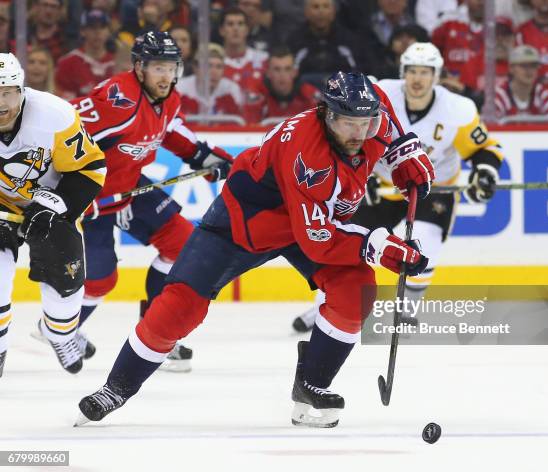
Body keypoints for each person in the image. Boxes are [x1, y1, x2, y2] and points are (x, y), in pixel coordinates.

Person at [75, 71, 435, 428]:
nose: (359, 134)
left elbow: (386, 118)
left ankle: (312, 384)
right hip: (244, 224)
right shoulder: (308, 156)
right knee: (178, 307)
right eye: (348, 124)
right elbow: (318, 239)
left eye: (366, 124)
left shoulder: (369, 111)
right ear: (326, 113)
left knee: (355, 289)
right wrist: (377, 245)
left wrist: (405, 154)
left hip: (308, 221)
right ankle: (116, 388)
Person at [292, 43, 504, 333]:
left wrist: (485, 172)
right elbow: (345, 136)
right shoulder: (379, 95)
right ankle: (323, 306)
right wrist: (360, 179)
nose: (418, 79)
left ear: (437, 75)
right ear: (403, 72)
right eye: (412, 71)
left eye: (425, 72)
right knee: (348, 244)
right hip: (380, 184)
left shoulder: (458, 109)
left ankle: (407, 310)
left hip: (432, 188)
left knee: (423, 239)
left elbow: (483, 149)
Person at [59, 31, 232, 372]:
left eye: (171, 67)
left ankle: (154, 334)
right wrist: (74, 196)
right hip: (94, 192)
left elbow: (171, 130)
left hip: (130, 186)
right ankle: (60, 329)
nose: (166, 76)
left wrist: (205, 158)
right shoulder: (116, 100)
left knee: (181, 243)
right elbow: (64, 139)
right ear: (139, 67)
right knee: (100, 280)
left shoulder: (168, 99)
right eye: (158, 68)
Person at [0, 53, 105, 377]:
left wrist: (58, 205)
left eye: (7, 92)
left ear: (21, 90)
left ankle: (59, 333)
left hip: (50, 206)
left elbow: (89, 169)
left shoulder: (55, 116)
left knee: (65, 288)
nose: (0, 103)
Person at [243, 46, 321, 124]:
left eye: (287, 69)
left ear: (295, 72)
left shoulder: (309, 94)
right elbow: (250, 129)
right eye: (277, 69)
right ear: (268, 73)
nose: (282, 75)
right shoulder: (258, 95)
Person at [55, 10, 115, 100]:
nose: (98, 32)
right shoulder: (67, 63)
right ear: (82, 31)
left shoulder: (115, 62)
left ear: (108, 32)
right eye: (92, 28)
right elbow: (65, 101)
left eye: (102, 27)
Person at [494, 45, 548, 117]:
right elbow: (493, 126)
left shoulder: (545, 95)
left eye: (533, 66)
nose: (529, 70)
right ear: (511, 68)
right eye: (524, 65)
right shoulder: (498, 95)